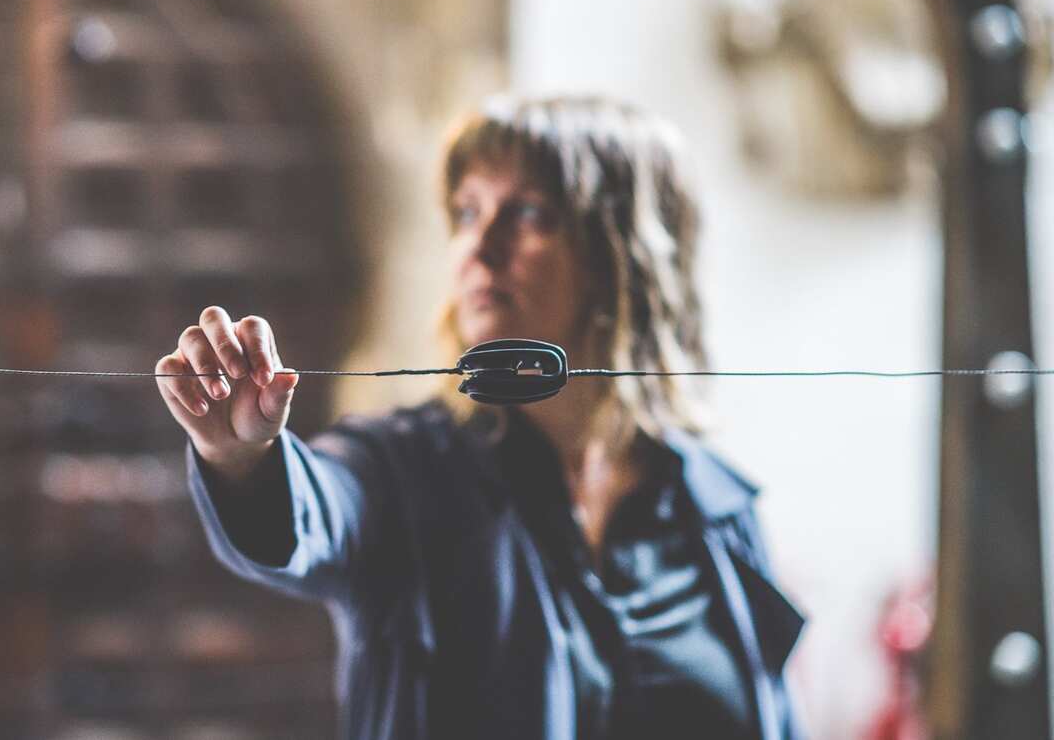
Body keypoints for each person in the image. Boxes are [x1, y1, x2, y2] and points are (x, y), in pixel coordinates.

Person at [155, 96, 806, 740]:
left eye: (526, 214)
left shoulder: (715, 508)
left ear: (624, 254)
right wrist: (244, 457)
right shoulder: (401, 473)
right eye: (467, 212)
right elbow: (317, 512)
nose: (478, 247)